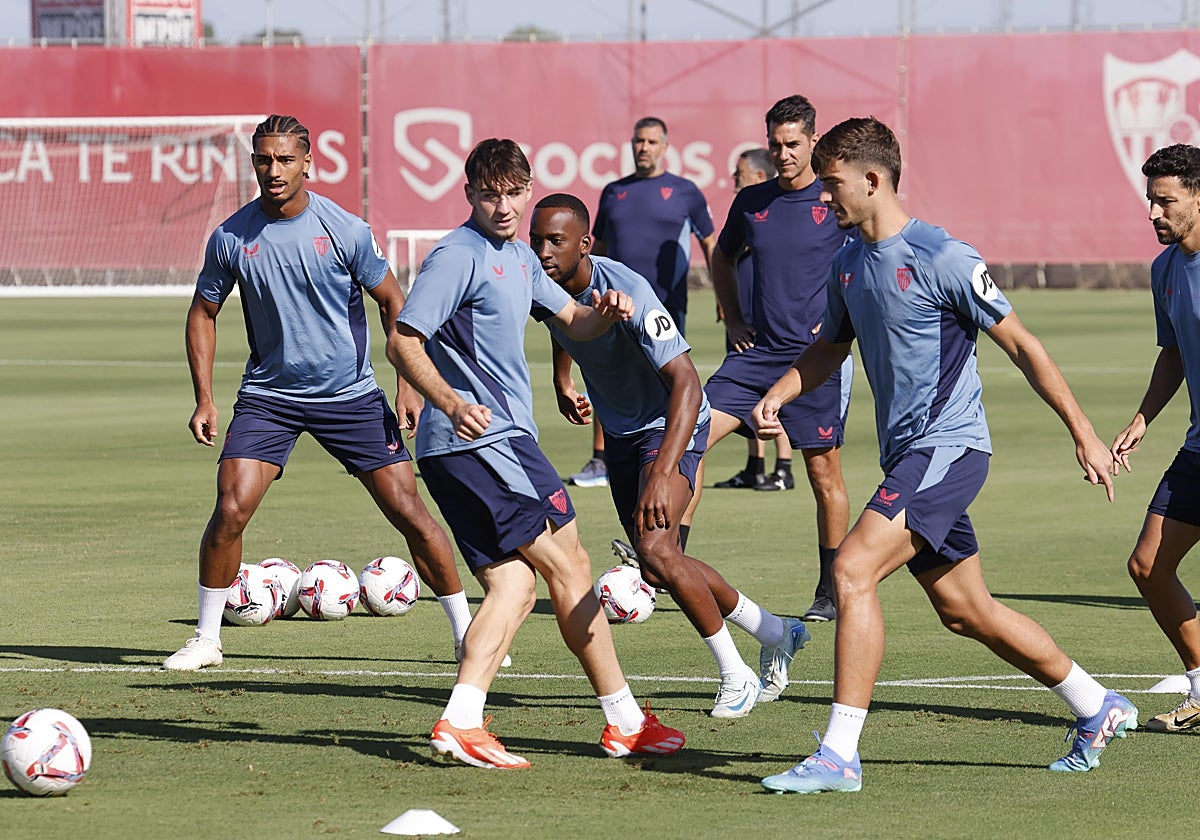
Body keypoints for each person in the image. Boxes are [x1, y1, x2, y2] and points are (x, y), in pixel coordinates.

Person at [752, 117, 1137, 793]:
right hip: (909, 457)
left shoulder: (943, 255)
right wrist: (781, 392)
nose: (823, 196)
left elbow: (1022, 344)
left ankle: (838, 755)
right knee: (965, 610)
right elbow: (830, 348)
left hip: (949, 450)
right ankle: (1095, 703)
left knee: (851, 569)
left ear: (874, 180)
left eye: (833, 183)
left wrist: (1082, 431)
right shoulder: (848, 261)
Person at [386, 138, 686, 769]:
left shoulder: (520, 257)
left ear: (527, 190)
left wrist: (608, 313)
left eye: (512, 194)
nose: (502, 207)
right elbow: (403, 341)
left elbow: (573, 320)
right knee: (570, 563)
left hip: (487, 445)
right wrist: (450, 402)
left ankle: (464, 719)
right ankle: (624, 722)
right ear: (469, 193)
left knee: (516, 584)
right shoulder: (457, 256)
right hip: (482, 441)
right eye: (488, 195)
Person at [164, 115, 474, 671]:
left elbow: (393, 302)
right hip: (269, 399)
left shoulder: (345, 230)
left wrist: (407, 384)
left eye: (285, 159)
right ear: (253, 163)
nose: (274, 170)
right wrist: (204, 397)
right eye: (264, 159)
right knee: (230, 509)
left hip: (351, 397)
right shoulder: (231, 237)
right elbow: (202, 312)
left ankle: (467, 635)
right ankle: (207, 639)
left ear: (308, 162)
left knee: (409, 511)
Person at [532, 192, 812, 718]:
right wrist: (561, 377)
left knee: (658, 550)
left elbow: (686, 380)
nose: (543, 251)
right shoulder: (543, 283)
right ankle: (777, 632)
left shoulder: (629, 291)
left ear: (585, 244)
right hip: (621, 434)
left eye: (555, 241)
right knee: (658, 565)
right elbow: (561, 320)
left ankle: (736, 676)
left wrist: (663, 472)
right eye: (537, 240)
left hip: (671, 424)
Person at [688, 96, 854, 622]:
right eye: (775, 145)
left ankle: (831, 589)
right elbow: (722, 257)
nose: (783, 154)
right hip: (755, 356)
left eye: (793, 144)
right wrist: (734, 318)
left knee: (823, 474)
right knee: (690, 436)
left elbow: (869, 259)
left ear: (813, 141)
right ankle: (665, 564)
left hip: (814, 361)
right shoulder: (752, 202)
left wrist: (844, 323)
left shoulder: (834, 200)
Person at [568, 116, 718, 490]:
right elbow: (597, 251)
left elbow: (710, 242)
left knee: (668, 382)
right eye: (639, 141)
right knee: (605, 376)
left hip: (663, 309)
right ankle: (601, 458)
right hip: (611, 310)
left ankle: (668, 456)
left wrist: (722, 295)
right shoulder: (613, 192)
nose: (644, 148)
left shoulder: (685, 191)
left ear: (665, 147)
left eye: (651, 142)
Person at [1110, 142, 1200, 733]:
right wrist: (1143, 418)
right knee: (1148, 565)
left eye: (1165, 201)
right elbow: (1173, 353)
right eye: (1150, 200)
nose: (1153, 212)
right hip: (1198, 448)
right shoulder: (1164, 270)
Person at [712, 147, 795, 493]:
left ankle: (784, 467)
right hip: (743, 317)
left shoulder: (771, 211)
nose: (734, 177)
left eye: (740, 172)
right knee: (746, 394)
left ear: (759, 175)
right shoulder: (748, 207)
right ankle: (755, 466)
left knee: (777, 392)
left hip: (770, 321)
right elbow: (723, 256)